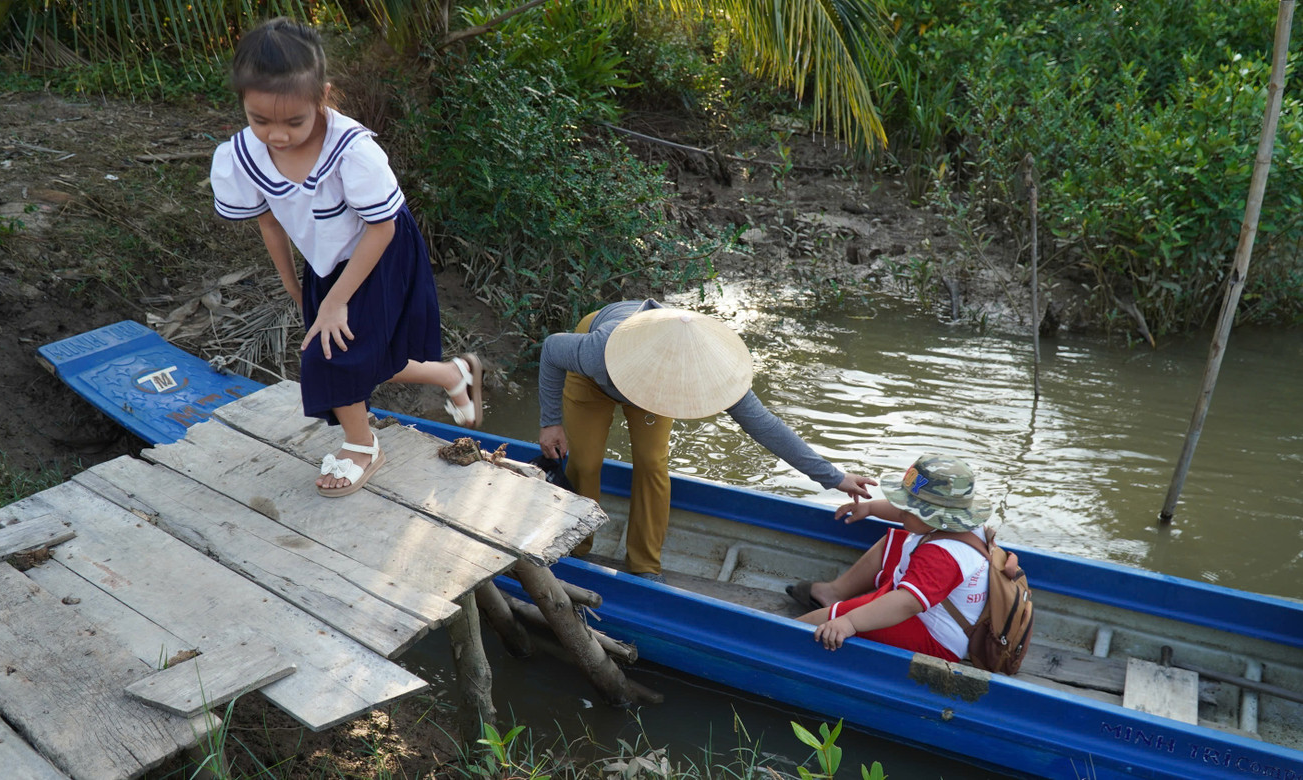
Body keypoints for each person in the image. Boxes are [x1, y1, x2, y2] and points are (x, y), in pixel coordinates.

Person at [210, 18, 483, 498]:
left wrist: (334, 301)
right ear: (244, 105)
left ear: (323, 97)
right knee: (365, 350)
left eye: (294, 121)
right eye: (260, 120)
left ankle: (362, 446)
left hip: (380, 253)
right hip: (326, 262)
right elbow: (270, 222)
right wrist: (295, 285)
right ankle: (452, 374)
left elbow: (382, 226)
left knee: (331, 350)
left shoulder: (353, 151)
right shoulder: (241, 156)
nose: (276, 135)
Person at [537, 299, 876, 582]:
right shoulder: (598, 350)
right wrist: (550, 422)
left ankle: (644, 566)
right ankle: (576, 547)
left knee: (653, 464)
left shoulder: (711, 371)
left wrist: (835, 477)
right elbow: (552, 349)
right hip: (601, 371)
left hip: (657, 370)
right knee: (584, 461)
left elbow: (767, 427)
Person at [788, 453, 993, 662]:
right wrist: (869, 508)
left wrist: (849, 621)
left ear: (933, 516)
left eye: (907, 507)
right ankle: (833, 592)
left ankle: (778, 638)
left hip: (934, 638)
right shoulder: (960, 522)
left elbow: (906, 604)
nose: (901, 511)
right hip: (931, 604)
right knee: (894, 543)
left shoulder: (942, 555)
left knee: (832, 618)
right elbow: (909, 514)